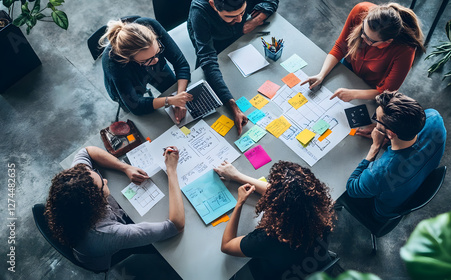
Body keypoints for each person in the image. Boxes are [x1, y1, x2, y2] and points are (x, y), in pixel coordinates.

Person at [44, 146, 185, 271]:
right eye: (101, 186)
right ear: (95, 204)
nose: (105, 180)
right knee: (161, 247)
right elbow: (176, 225)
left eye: (99, 176)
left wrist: (125, 167)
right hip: (106, 254)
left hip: (99, 227)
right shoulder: (107, 235)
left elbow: (86, 151)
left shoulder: (78, 183)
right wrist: (171, 170)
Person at [215, 160, 335, 279]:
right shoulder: (321, 214)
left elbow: (227, 245)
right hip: (314, 268)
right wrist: (237, 176)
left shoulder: (269, 238)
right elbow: (287, 194)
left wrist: (240, 202)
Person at [340, 91, 446, 222]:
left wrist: (375, 147)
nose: (376, 122)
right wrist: (382, 128)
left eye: (376, 119)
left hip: (382, 212)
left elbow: (351, 187)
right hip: (417, 182)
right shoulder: (434, 117)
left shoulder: (380, 172)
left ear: (390, 133)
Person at [301, 2, 425, 102]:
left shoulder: (406, 51)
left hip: (371, 88)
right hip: (348, 66)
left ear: (387, 42)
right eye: (362, 31)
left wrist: (354, 94)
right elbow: (340, 47)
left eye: (370, 40)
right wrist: (321, 74)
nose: (362, 38)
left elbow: (386, 91)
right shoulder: (360, 11)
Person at [187, 0, 279, 135]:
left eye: (242, 12)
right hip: (214, 43)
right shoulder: (199, 12)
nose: (240, 19)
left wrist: (255, 21)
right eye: (231, 16)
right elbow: (207, 60)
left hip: (240, 40)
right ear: (213, 4)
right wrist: (233, 106)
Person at [100, 17, 193, 123]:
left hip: (157, 71)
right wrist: (169, 100)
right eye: (147, 59)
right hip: (130, 79)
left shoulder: (151, 26)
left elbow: (181, 64)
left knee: (172, 88)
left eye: (158, 51)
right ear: (130, 58)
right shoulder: (114, 64)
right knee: (129, 107)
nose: (157, 60)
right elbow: (135, 105)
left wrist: (179, 98)